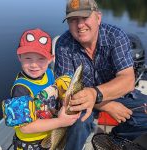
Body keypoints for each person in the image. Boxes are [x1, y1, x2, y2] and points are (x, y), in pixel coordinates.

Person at [54, 0, 147, 149]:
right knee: (76, 123)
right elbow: (67, 94)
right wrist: (107, 106)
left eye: (85, 18)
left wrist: (95, 95)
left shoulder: (115, 36)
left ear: (98, 17)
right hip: (80, 100)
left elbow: (128, 80)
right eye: (73, 20)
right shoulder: (64, 45)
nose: (79, 25)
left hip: (114, 93)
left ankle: (115, 139)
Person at [11, 28, 79, 150]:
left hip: (50, 134)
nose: (34, 64)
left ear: (51, 59)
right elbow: (25, 127)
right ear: (19, 56)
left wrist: (64, 102)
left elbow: (54, 96)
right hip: (30, 144)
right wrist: (60, 122)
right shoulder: (20, 89)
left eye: (41, 59)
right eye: (28, 58)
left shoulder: (49, 74)